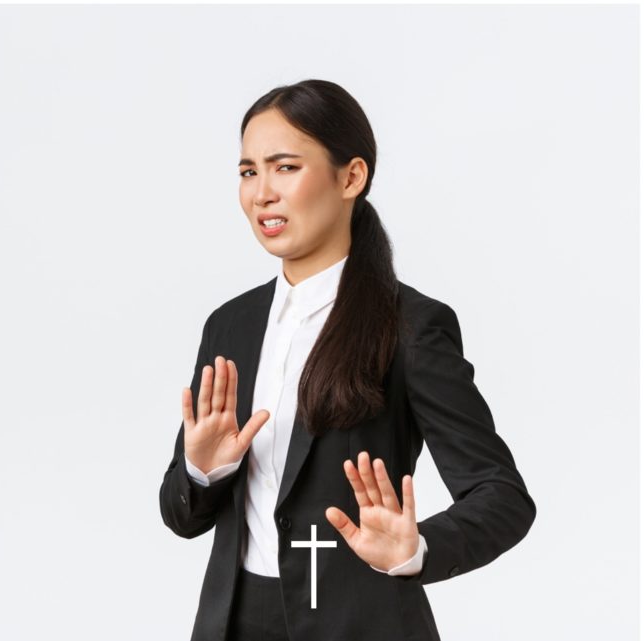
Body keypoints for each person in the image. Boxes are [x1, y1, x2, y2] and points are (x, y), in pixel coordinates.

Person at [158, 79, 536, 641]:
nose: (262, 192)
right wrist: (203, 471)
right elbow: (182, 515)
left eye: (285, 167)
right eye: (248, 171)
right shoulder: (229, 326)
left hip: (360, 625)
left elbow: (501, 495)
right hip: (233, 623)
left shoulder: (410, 327)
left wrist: (417, 549)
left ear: (351, 177)